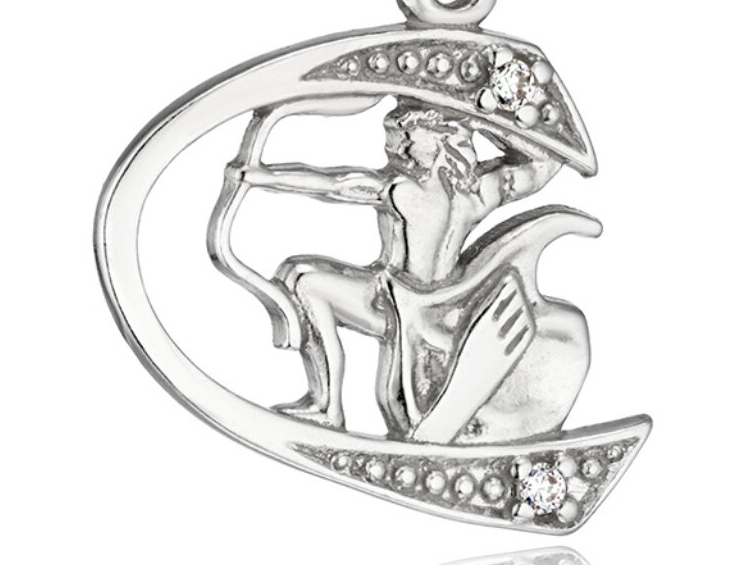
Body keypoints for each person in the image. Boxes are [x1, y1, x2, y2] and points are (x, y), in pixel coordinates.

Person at [230, 99, 562, 433]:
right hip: (443, 306)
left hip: (398, 302)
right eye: (395, 137)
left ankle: (326, 406)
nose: (397, 148)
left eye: (407, 138)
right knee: (297, 274)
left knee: (305, 281)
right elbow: (543, 164)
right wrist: (484, 122)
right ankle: (324, 404)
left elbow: (337, 185)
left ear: (438, 139)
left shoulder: (402, 190)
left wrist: (261, 177)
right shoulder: (480, 193)